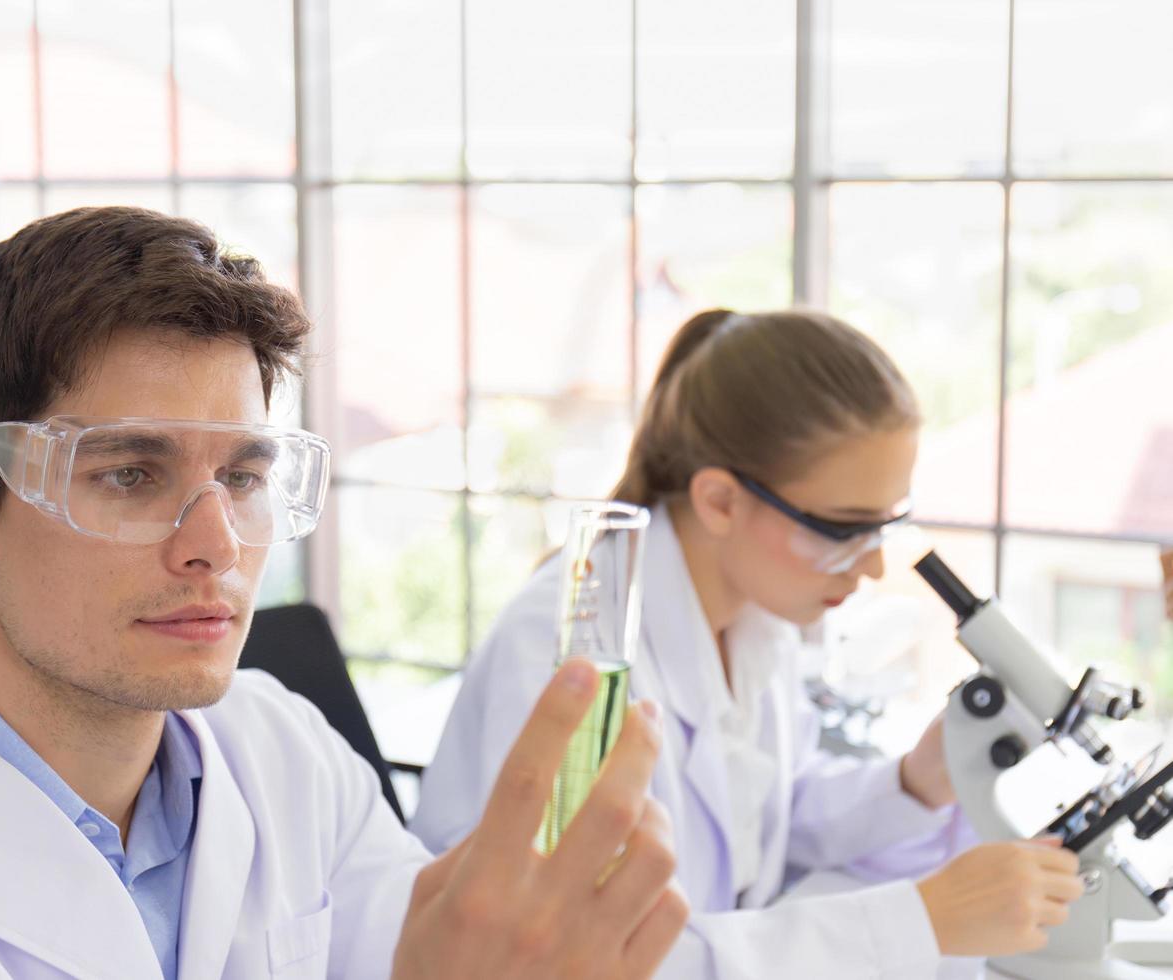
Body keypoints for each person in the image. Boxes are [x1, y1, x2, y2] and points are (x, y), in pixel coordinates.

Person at [0, 207, 688, 979]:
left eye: (248, 478)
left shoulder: (285, 753)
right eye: (133, 474)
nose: (216, 543)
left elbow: (421, 945)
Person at [410, 309, 1085, 979]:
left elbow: (768, 825)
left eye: (884, 527)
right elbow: (584, 953)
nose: (874, 566)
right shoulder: (573, 650)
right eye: (845, 527)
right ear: (721, 502)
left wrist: (918, 779)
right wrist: (921, 921)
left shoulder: (755, 615)